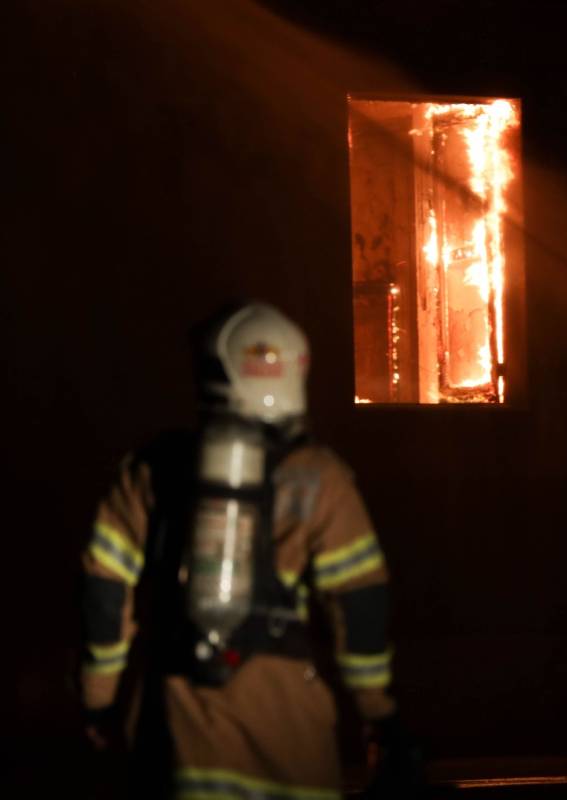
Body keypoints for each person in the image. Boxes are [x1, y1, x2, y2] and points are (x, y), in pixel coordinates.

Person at [80, 302, 410, 798]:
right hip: (289, 746)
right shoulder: (322, 480)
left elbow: (103, 595)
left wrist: (98, 699)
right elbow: (360, 608)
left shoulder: (151, 470)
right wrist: (378, 713)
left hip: (177, 739)